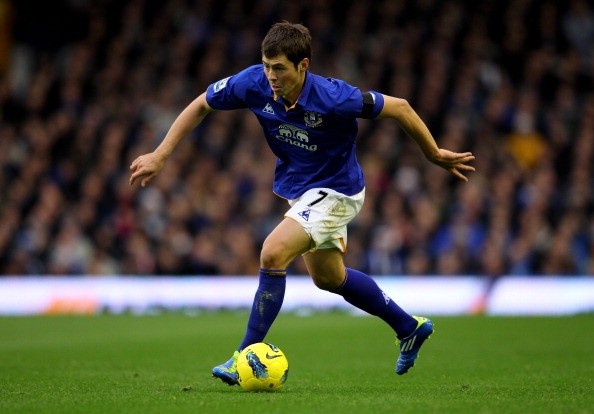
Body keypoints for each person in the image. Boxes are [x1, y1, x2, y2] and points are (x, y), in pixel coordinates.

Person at [129, 21, 475, 384]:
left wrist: (433, 153)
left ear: (303, 66)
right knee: (329, 278)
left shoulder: (333, 96)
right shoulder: (253, 83)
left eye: (279, 68)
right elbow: (202, 103)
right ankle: (408, 327)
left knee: (272, 253)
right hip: (303, 189)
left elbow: (400, 107)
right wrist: (161, 154)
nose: (271, 76)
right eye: (266, 65)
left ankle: (242, 356)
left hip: (338, 190)